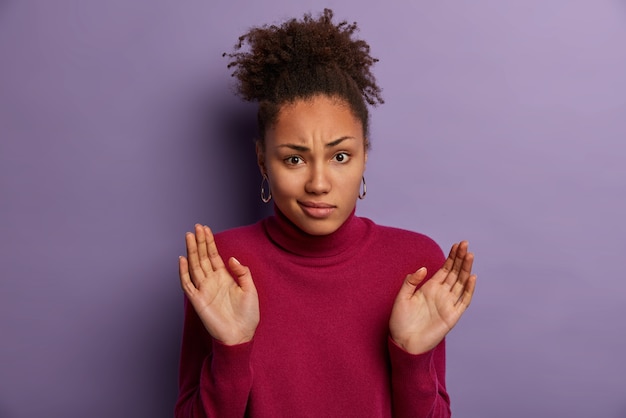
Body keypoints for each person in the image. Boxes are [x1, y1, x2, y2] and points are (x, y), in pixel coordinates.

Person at [175, 9, 476, 418]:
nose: (319, 183)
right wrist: (231, 349)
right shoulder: (222, 263)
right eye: (295, 160)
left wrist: (411, 359)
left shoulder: (415, 264)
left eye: (340, 155)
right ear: (263, 160)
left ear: (365, 155)